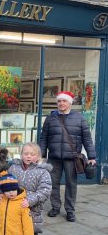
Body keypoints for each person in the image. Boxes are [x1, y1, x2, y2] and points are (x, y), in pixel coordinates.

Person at [40, 91, 96, 222]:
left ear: (70, 103)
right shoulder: (50, 118)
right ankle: (55, 207)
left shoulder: (79, 118)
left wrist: (92, 156)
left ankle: (70, 210)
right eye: (59, 101)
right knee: (53, 184)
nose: (61, 103)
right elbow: (43, 138)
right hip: (54, 157)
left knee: (71, 184)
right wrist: (42, 155)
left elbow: (87, 139)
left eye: (64, 101)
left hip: (72, 158)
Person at [2, 143, 52, 234]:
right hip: (14, 208)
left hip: (32, 210)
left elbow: (45, 191)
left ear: (38, 156)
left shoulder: (43, 172)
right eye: (26, 154)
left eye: (32, 154)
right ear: (21, 155)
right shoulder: (13, 168)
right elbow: (4, 182)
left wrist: (29, 200)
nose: (28, 156)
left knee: (30, 231)